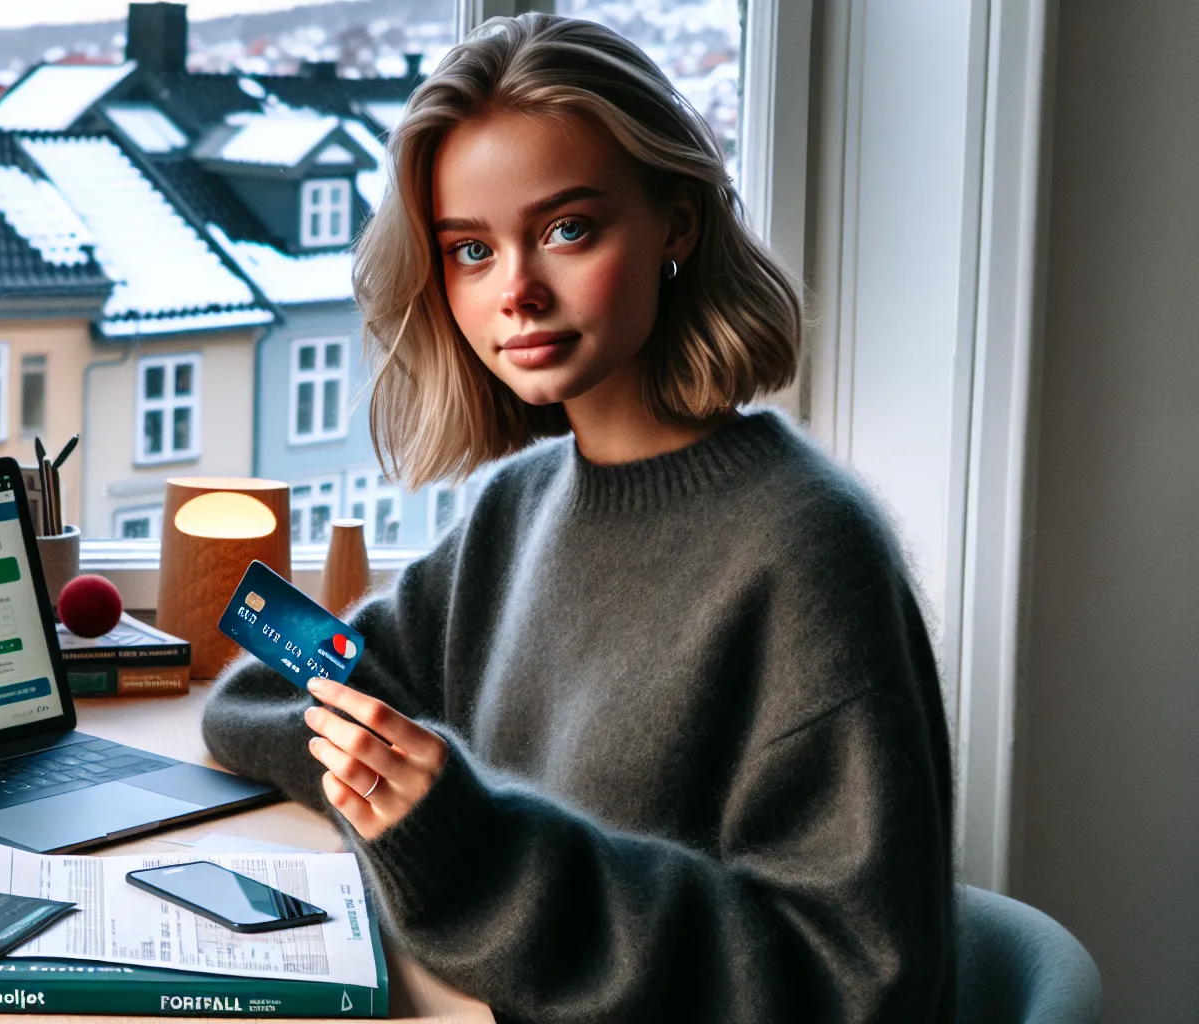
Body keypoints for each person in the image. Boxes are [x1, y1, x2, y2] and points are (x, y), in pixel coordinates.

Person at [201, 13, 955, 1023]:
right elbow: (272, 688)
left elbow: (857, 983)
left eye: (567, 228)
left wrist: (469, 849)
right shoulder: (516, 509)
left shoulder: (805, 549)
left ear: (676, 222)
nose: (515, 290)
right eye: (470, 250)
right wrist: (400, 797)